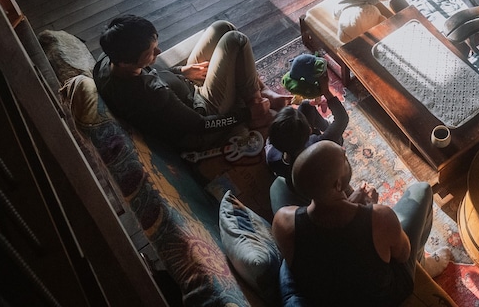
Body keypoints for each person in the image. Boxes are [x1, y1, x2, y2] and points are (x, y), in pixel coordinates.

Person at [273, 140, 433, 307]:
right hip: (382, 299)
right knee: (422, 190)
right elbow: (403, 254)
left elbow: (331, 242)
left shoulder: (282, 222)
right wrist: (369, 210)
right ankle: (421, 261)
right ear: (338, 184)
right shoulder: (381, 217)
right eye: (344, 159)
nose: (345, 154)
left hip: (324, 297)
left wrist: (352, 205)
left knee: (277, 187)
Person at [93, 15, 290, 151]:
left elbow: (152, 73)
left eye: (155, 44)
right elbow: (200, 125)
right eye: (150, 53)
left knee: (223, 27)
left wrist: (181, 71)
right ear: (127, 62)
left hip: (182, 87)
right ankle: (258, 110)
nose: (159, 52)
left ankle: (263, 91)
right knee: (236, 40)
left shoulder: (106, 61)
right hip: (203, 111)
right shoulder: (150, 94)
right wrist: (246, 114)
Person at [266, 69, 349, 212]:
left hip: (298, 164)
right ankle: (328, 128)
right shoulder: (321, 144)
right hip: (319, 165)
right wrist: (326, 91)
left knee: (305, 106)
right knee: (337, 137)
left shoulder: (273, 157)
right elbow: (342, 118)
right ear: (310, 131)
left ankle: (327, 127)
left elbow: (272, 140)